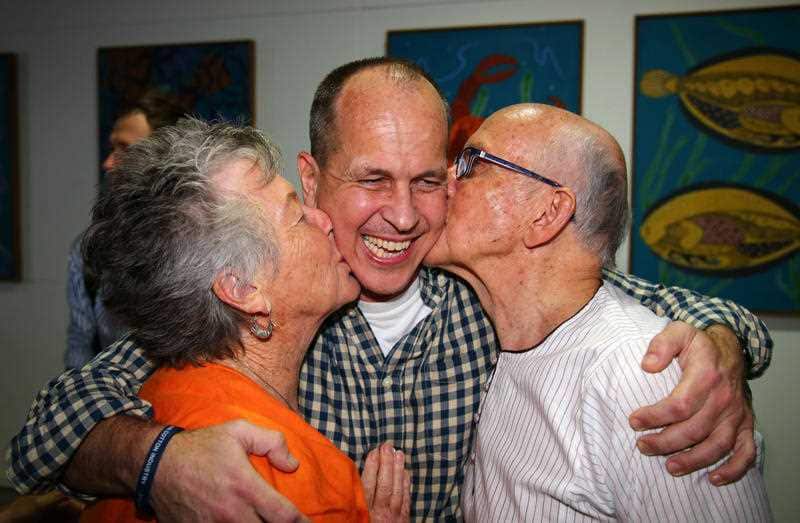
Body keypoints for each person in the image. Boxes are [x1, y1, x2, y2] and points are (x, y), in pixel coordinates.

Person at [10, 58, 772, 521]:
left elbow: (632, 300)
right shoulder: (260, 312)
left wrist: (723, 347)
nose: (404, 216)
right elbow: (48, 428)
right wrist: (158, 461)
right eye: (373, 179)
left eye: (431, 180)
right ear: (311, 180)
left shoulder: (484, 290)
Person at [425, 103, 771, 521]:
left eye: (472, 163)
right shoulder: (504, 337)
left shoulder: (645, 377)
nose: (444, 179)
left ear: (547, 214)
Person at [76, 117, 408, 521]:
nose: (323, 219)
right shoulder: (283, 474)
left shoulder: (155, 397)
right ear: (243, 289)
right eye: (298, 217)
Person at [65, 89, 187, 369]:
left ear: (168, 157)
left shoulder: (215, 249)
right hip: (115, 404)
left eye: (125, 149)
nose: (108, 162)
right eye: (112, 148)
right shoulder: (90, 253)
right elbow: (80, 350)